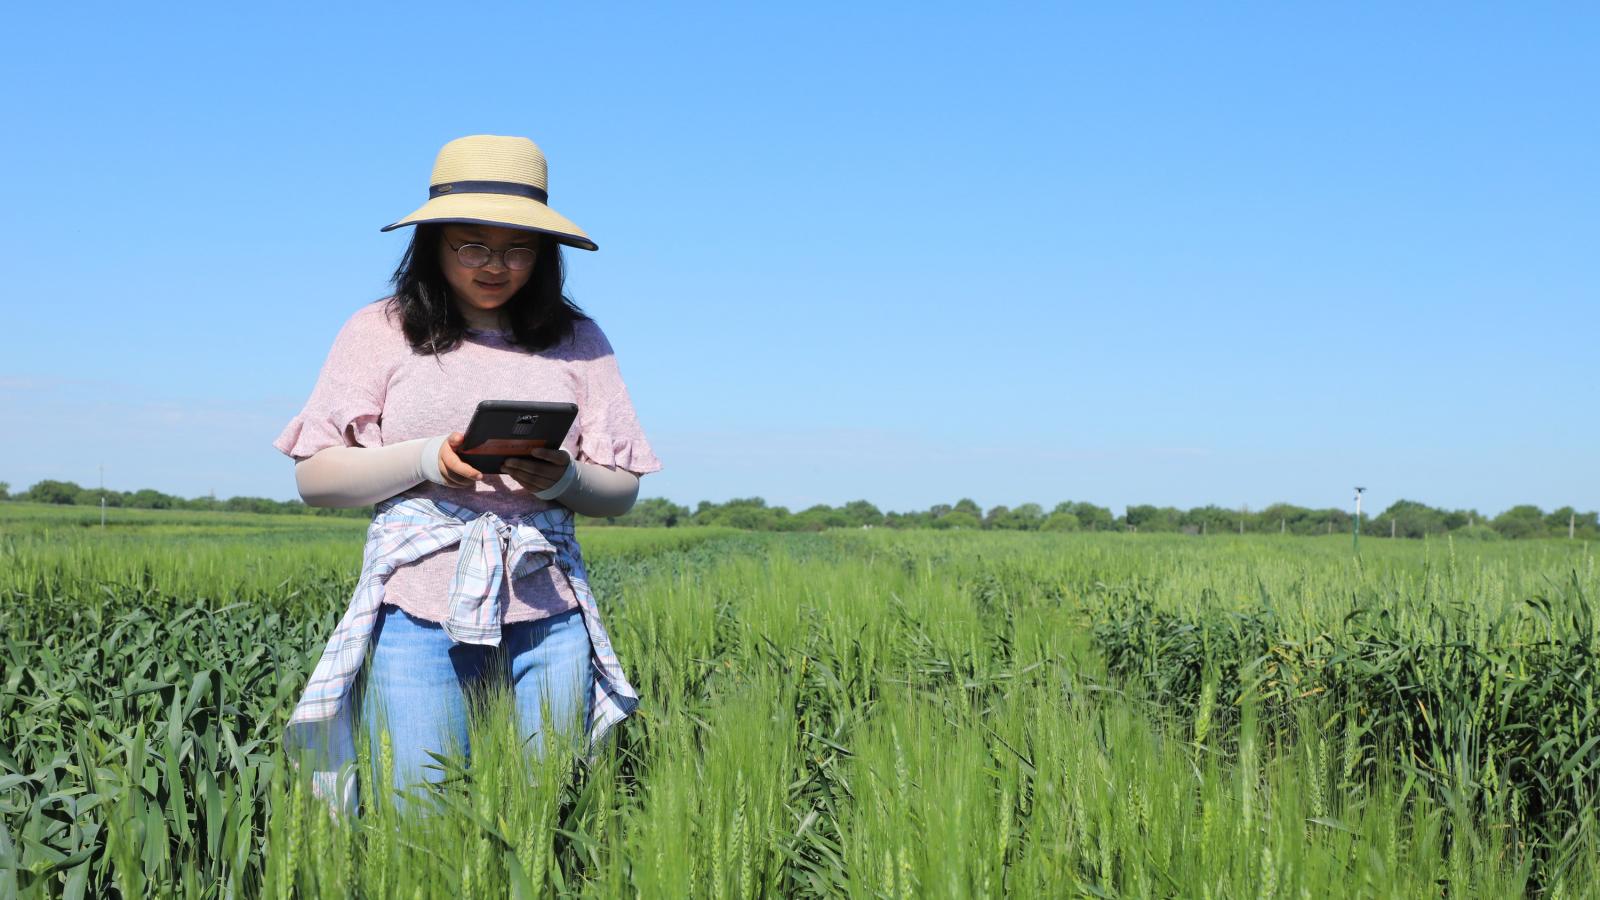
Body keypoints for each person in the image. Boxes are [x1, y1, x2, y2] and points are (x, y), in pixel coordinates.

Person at [271, 134, 662, 817]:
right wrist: (427, 459)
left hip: (549, 614)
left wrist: (561, 478)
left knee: (545, 816)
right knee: (420, 814)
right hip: (417, 612)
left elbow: (622, 491)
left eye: (518, 248)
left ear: (544, 255)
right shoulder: (380, 330)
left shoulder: (580, 339)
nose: (495, 265)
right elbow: (316, 478)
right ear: (433, 244)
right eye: (472, 245)